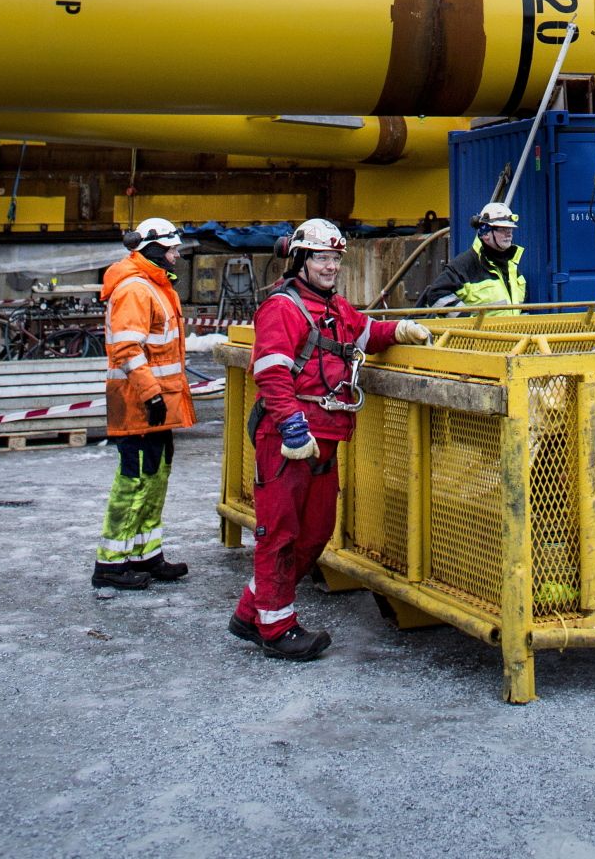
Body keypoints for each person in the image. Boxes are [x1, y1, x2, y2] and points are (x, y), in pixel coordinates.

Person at [229, 219, 432, 661]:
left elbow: (364, 334)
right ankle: (276, 627)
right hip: (287, 439)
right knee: (278, 534)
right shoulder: (282, 308)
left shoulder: (334, 308)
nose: (331, 266)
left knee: (315, 533)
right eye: (322, 257)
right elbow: (271, 372)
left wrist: (397, 331)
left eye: (336, 258)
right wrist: (291, 426)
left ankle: (251, 612)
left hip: (326, 436)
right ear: (300, 260)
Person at [95, 217, 194, 590]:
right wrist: (152, 394)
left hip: (156, 404)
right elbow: (126, 349)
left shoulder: (155, 286)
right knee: (134, 481)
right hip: (140, 404)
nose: (176, 255)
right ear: (152, 249)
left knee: (154, 478)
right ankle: (110, 565)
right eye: (171, 249)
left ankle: (145, 555)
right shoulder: (137, 288)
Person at [418, 201, 526, 315]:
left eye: (510, 229)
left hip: (512, 332)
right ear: (485, 233)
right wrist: (467, 321)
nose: (509, 234)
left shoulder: (511, 267)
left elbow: (520, 308)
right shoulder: (464, 265)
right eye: (502, 229)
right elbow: (436, 294)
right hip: (478, 333)